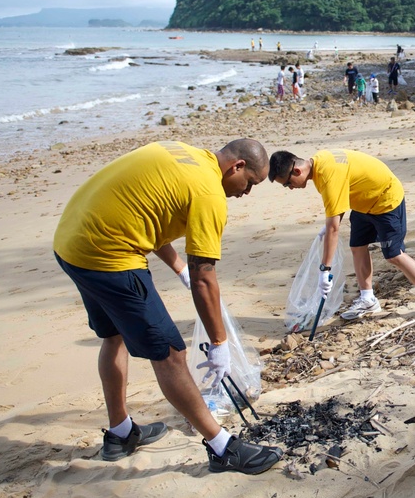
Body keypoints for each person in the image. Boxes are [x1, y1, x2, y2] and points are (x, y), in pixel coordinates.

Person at [53, 139, 282, 474]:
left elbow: (150, 212)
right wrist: (219, 345)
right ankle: (222, 448)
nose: (247, 192)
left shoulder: (181, 152)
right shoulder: (209, 193)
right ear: (237, 167)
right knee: (170, 354)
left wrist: (177, 269)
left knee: (114, 336)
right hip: (108, 254)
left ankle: (120, 433)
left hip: (71, 242)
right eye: (250, 183)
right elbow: (204, 277)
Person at [268, 150, 415, 323]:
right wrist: (331, 223)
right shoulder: (319, 162)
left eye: (287, 183)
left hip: (385, 200)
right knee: (357, 247)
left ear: (297, 171)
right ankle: (368, 299)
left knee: (394, 255)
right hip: (363, 203)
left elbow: (333, 230)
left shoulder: (327, 175)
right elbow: (339, 201)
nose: (290, 188)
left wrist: (325, 270)